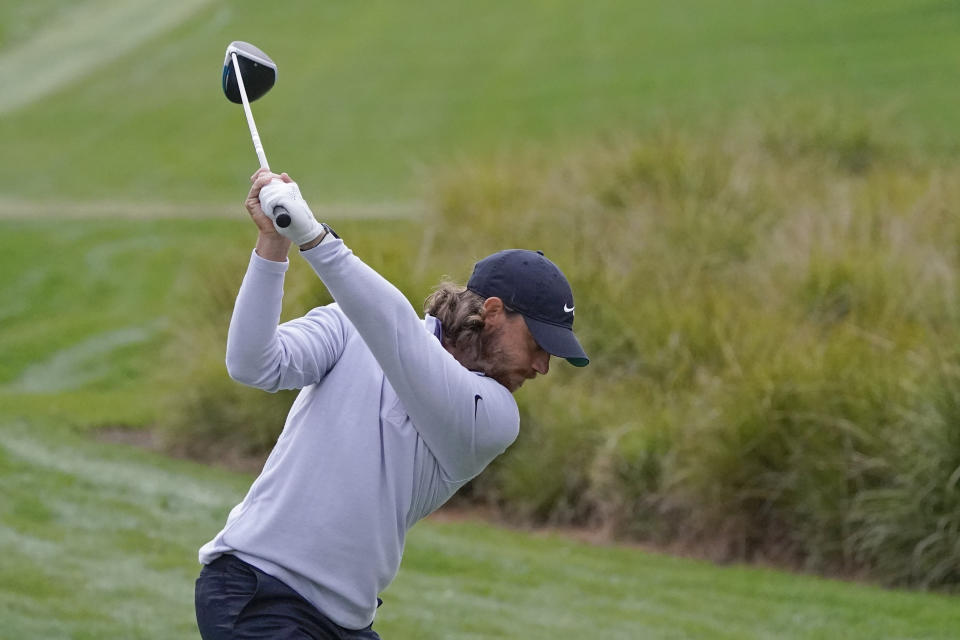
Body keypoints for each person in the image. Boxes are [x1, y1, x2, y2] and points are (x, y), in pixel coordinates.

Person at [194, 169, 589, 639]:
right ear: (495, 312)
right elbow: (252, 363)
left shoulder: (494, 418)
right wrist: (275, 243)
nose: (543, 366)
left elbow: (398, 335)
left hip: (345, 621)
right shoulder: (352, 326)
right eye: (539, 344)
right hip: (257, 587)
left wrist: (315, 238)